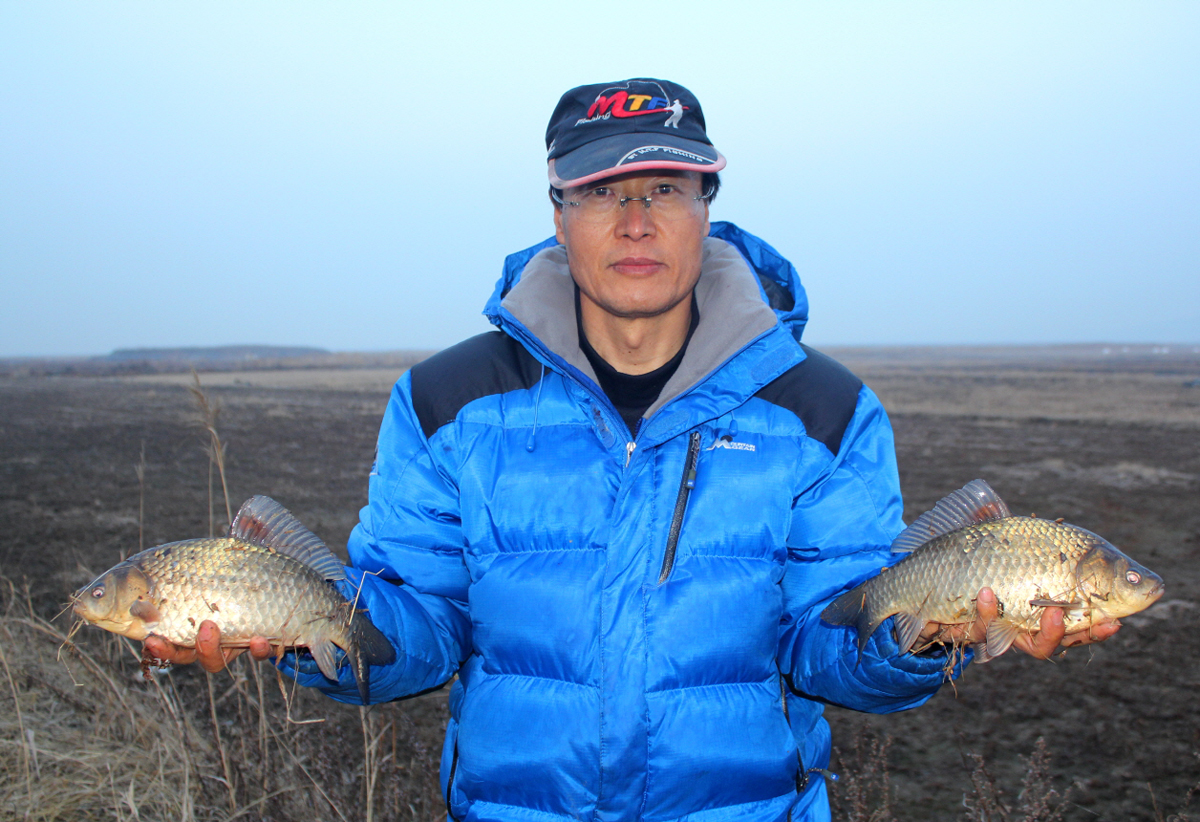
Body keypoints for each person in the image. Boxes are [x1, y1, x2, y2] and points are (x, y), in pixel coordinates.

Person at [148, 78, 1118, 822]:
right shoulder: (447, 403)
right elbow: (422, 632)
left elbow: (832, 641)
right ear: (558, 212)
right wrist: (299, 626)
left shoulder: (823, 410)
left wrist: (931, 631)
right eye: (602, 190)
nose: (636, 220)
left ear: (707, 203)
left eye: (665, 187)